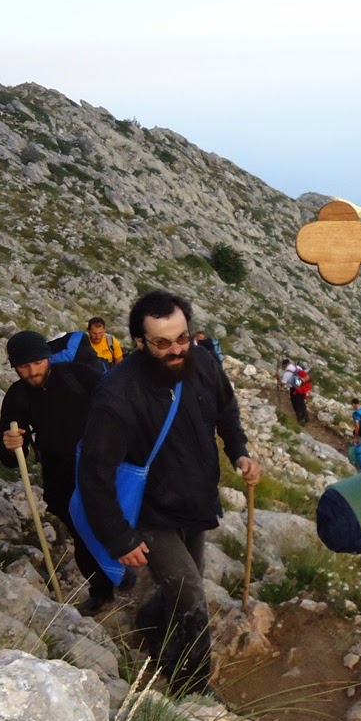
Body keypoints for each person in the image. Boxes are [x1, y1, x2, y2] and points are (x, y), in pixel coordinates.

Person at [76, 289, 261, 695]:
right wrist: (118, 536)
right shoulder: (118, 394)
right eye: (162, 342)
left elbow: (226, 410)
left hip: (194, 501)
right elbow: (94, 472)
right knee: (191, 591)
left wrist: (240, 452)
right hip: (150, 513)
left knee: (181, 586)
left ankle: (151, 625)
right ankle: (192, 687)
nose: (176, 349)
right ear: (140, 343)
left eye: (182, 337)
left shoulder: (204, 362)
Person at [0, 331, 117, 613]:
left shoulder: (79, 376)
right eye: (24, 366)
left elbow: (117, 406)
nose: (32, 371)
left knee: (107, 523)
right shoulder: (17, 396)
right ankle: (102, 591)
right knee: (82, 532)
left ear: (48, 357)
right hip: (60, 477)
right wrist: (10, 444)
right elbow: (11, 457)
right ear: (14, 367)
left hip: (99, 466)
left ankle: (122, 574)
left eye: (38, 362)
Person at [279, 357, 310, 424]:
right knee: (302, 403)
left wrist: (278, 378)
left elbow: (283, 384)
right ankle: (306, 417)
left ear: (284, 365)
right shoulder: (297, 367)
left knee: (296, 404)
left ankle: (301, 420)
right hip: (301, 387)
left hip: (294, 390)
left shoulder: (287, 372)